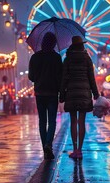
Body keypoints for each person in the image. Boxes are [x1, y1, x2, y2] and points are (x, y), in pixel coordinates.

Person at [60, 36, 99, 159]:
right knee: (81, 122)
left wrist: (62, 95)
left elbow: (64, 79)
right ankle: (80, 151)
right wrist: (96, 93)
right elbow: (91, 78)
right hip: (84, 93)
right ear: (82, 45)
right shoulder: (87, 59)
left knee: (73, 121)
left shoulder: (67, 60)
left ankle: (75, 149)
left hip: (71, 93)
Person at [28, 32, 63, 160]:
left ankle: (45, 148)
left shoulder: (35, 57)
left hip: (40, 93)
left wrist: (38, 78)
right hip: (53, 93)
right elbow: (60, 76)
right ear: (54, 43)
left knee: (42, 121)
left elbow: (31, 76)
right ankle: (49, 144)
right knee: (52, 121)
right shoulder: (57, 58)